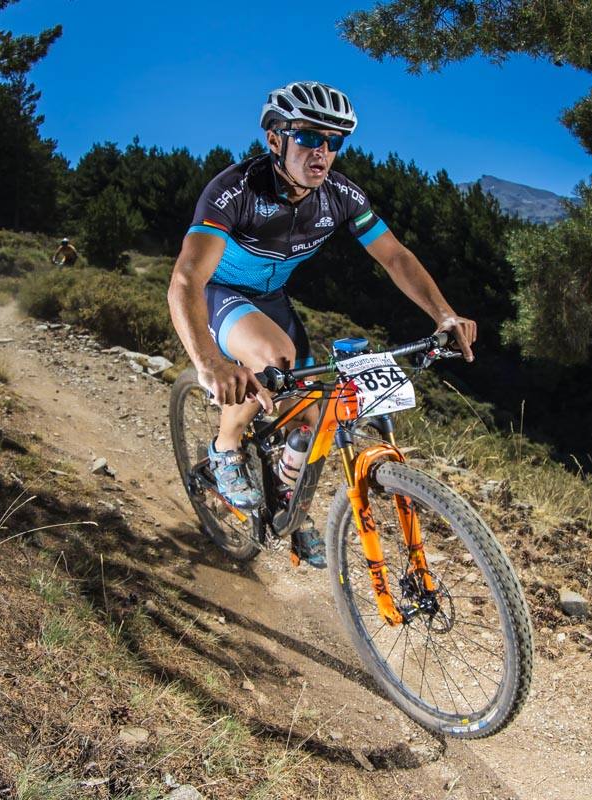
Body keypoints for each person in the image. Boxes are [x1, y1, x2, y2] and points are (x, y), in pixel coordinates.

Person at [167, 81, 476, 568]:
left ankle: (290, 509)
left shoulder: (338, 196)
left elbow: (394, 256)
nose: (324, 153)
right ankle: (226, 448)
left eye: (335, 142)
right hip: (221, 294)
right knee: (276, 358)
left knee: (311, 416)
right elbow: (185, 279)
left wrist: (443, 313)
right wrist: (209, 362)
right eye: (310, 138)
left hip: (272, 300)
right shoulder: (234, 191)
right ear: (275, 140)